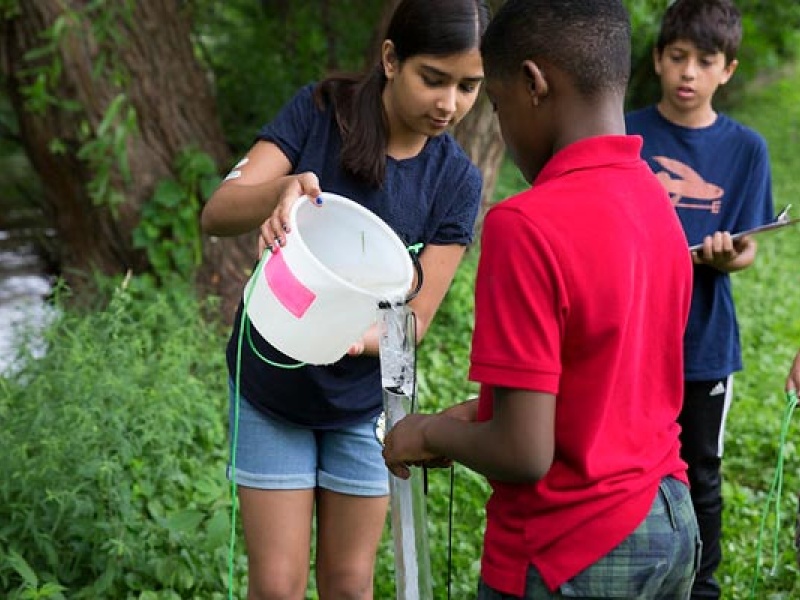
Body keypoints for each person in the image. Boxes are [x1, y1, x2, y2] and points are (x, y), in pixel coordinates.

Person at [382, 1, 700, 598]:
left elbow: (524, 450)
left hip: (570, 548)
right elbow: (598, 386)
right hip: (669, 519)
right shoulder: (654, 198)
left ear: (533, 83)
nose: (501, 126)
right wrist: (471, 413)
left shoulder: (525, 224)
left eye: (496, 107)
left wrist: (427, 434)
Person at [200, 0, 490, 598]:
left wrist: (348, 340)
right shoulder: (320, 112)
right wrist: (278, 191)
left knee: (349, 583)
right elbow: (217, 213)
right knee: (277, 586)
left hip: (365, 404)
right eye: (432, 78)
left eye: (468, 87)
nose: (449, 104)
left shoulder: (456, 181)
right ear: (390, 59)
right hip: (271, 384)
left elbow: (414, 321)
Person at [625, 1, 775, 597]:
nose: (689, 72)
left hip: (704, 341)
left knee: (701, 472)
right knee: (630, 465)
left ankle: (700, 586)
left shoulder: (745, 149)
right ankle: (633, 572)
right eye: (678, 57)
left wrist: (725, 254)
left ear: (727, 70)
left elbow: (748, 247)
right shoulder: (627, 132)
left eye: (704, 61)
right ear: (658, 59)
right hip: (632, 333)